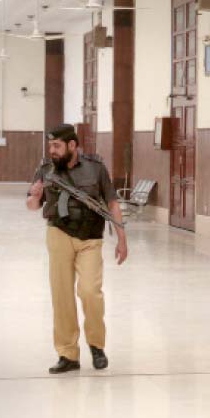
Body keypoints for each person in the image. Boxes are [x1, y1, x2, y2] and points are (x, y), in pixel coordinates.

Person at [26, 124, 128, 374]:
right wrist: (35, 196)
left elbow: (112, 203)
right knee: (61, 295)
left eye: (57, 146)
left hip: (90, 237)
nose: (52, 151)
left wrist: (122, 238)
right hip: (58, 234)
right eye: (50, 146)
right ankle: (67, 353)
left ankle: (96, 345)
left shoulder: (96, 169)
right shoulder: (45, 170)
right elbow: (31, 204)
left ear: (72, 145)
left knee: (90, 291)